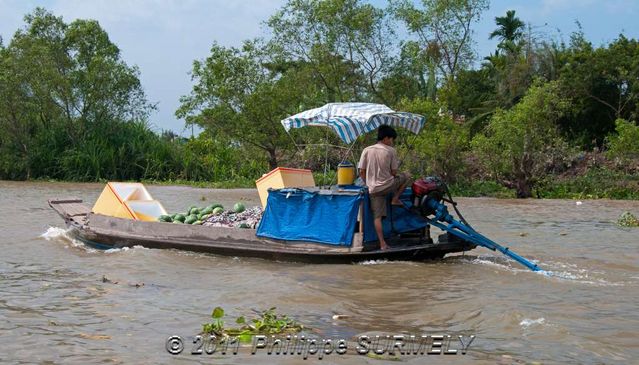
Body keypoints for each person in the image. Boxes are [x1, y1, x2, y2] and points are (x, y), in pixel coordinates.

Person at [357, 125, 411, 250]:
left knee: (377, 217)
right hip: (387, 186)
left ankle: (382, 244)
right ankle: (395, 199)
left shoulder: (366, 150)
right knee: (408, 176)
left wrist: (368, 183)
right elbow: (394, 172)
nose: (392, 142)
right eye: (391, 139)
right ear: (386, 138)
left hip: (373, 190)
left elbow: (361, 172)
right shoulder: (390, 151)